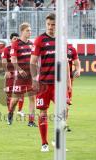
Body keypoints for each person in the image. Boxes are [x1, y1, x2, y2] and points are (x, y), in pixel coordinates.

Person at [30, 13, 72, 152]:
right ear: (45, 24)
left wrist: (68, 82)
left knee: (64, 111)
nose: (50, 27)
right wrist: (34, 79)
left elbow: (65, 61)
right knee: (43, 112)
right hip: (43, 84)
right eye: (48, 24)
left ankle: (57, 140)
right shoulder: (40, 40)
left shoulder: (62, 40)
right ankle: (44, 143)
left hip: (59, 83)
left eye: (53, 25)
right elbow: (33, 61)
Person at [8, 22, 37, 127]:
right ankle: (10, 113)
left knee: (32, 98)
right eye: (27, 30)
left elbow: (35, 59)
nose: (30, 32)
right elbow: (13, 59)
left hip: (30, 76)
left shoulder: (31, 44)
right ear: (22, 31)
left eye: (30, 30)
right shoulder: (16, 43)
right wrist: (19, 69)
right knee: (15, 99)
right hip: (20, 76)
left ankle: (31, 121)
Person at [2, 33, 25, 118]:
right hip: (10, 74)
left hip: (19, 74)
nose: (16, 40)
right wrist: (6, 71)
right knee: (9, 93)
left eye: (17, 38)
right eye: (14, 38)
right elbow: (4, 61)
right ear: (11, 40)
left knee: (21, 93)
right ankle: (10, 112)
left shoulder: (21, 49)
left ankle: (20, 110)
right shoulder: (6, 49)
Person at [66, 44, 81, 132]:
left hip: (68, 81)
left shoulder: (71, 48)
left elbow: (76, 61)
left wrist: (78, 70)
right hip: (53, 80)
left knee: (66, 105)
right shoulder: (53, 46)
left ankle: (64, 123)